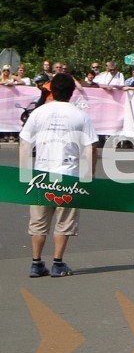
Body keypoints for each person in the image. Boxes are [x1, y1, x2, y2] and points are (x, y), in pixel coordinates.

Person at [19, 73, 97, 278]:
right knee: (64, 220)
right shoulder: (80, 115)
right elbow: (91, 147)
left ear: (51, 89)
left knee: (38, 221)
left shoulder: (39, 113)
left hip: (42, 173)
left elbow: (25, 143)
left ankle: (36, 263)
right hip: (68, 173)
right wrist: (90, 176)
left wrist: (25, 173)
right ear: (72, 92)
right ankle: (57, 262)